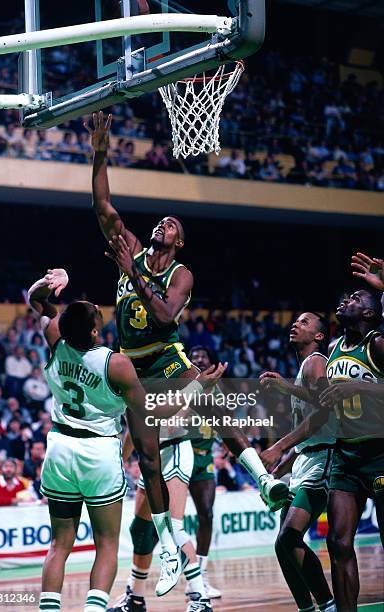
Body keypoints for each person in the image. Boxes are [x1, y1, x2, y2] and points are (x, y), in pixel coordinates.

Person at [86, 111, 289, 612]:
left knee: (212, 400)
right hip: (133, 369)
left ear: (178, 242)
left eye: (172, 225)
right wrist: (99, 152)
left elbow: (162, 317)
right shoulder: (130, 246)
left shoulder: (181, 273)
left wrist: (133, 273)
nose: (163, 223)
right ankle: (171, 554)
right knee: (148, 460)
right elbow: (103, 204)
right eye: (162, 221)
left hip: (165, 356)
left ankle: (262, 480)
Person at [28, 267, 225, 612]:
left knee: (59, 546)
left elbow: (36, 300)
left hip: (59, 446)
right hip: (98, 451)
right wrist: (197, 386)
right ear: (93, 331)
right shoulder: (115, 363)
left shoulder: (54, 342)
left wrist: (47, 283)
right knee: (105, 545)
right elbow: (153, 411)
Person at [260, 313, 336, 612]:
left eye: (305, 322)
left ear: (319, 336)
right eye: (296, 321)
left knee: (290, 536)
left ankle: (328, 604)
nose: (296, 324)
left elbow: (324, 408)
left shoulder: (316, 360)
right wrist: (284, 466)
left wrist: (279, 446)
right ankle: (306, 608)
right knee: (282, 544)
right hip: (305, 459)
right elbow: (307, 432)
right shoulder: (304, 367)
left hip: (324, 458)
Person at [318, 278, 384, 612]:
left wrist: (357, 390)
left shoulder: (378, 344)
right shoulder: (333, 349)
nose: (347, 300)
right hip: (345, 455)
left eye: (356, 298)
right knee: (338, 542)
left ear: (371, 313)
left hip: (380, 453)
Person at [187, 346, 221, 600]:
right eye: (194, 357)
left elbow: (223, 419)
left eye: (203, 357)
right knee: (166, 521)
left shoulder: (217, 390)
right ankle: (188, 572)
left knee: (206, 515)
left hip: (204, 459)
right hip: (180, 455)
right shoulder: (182, 385)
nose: (199, 360)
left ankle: (201, 575)